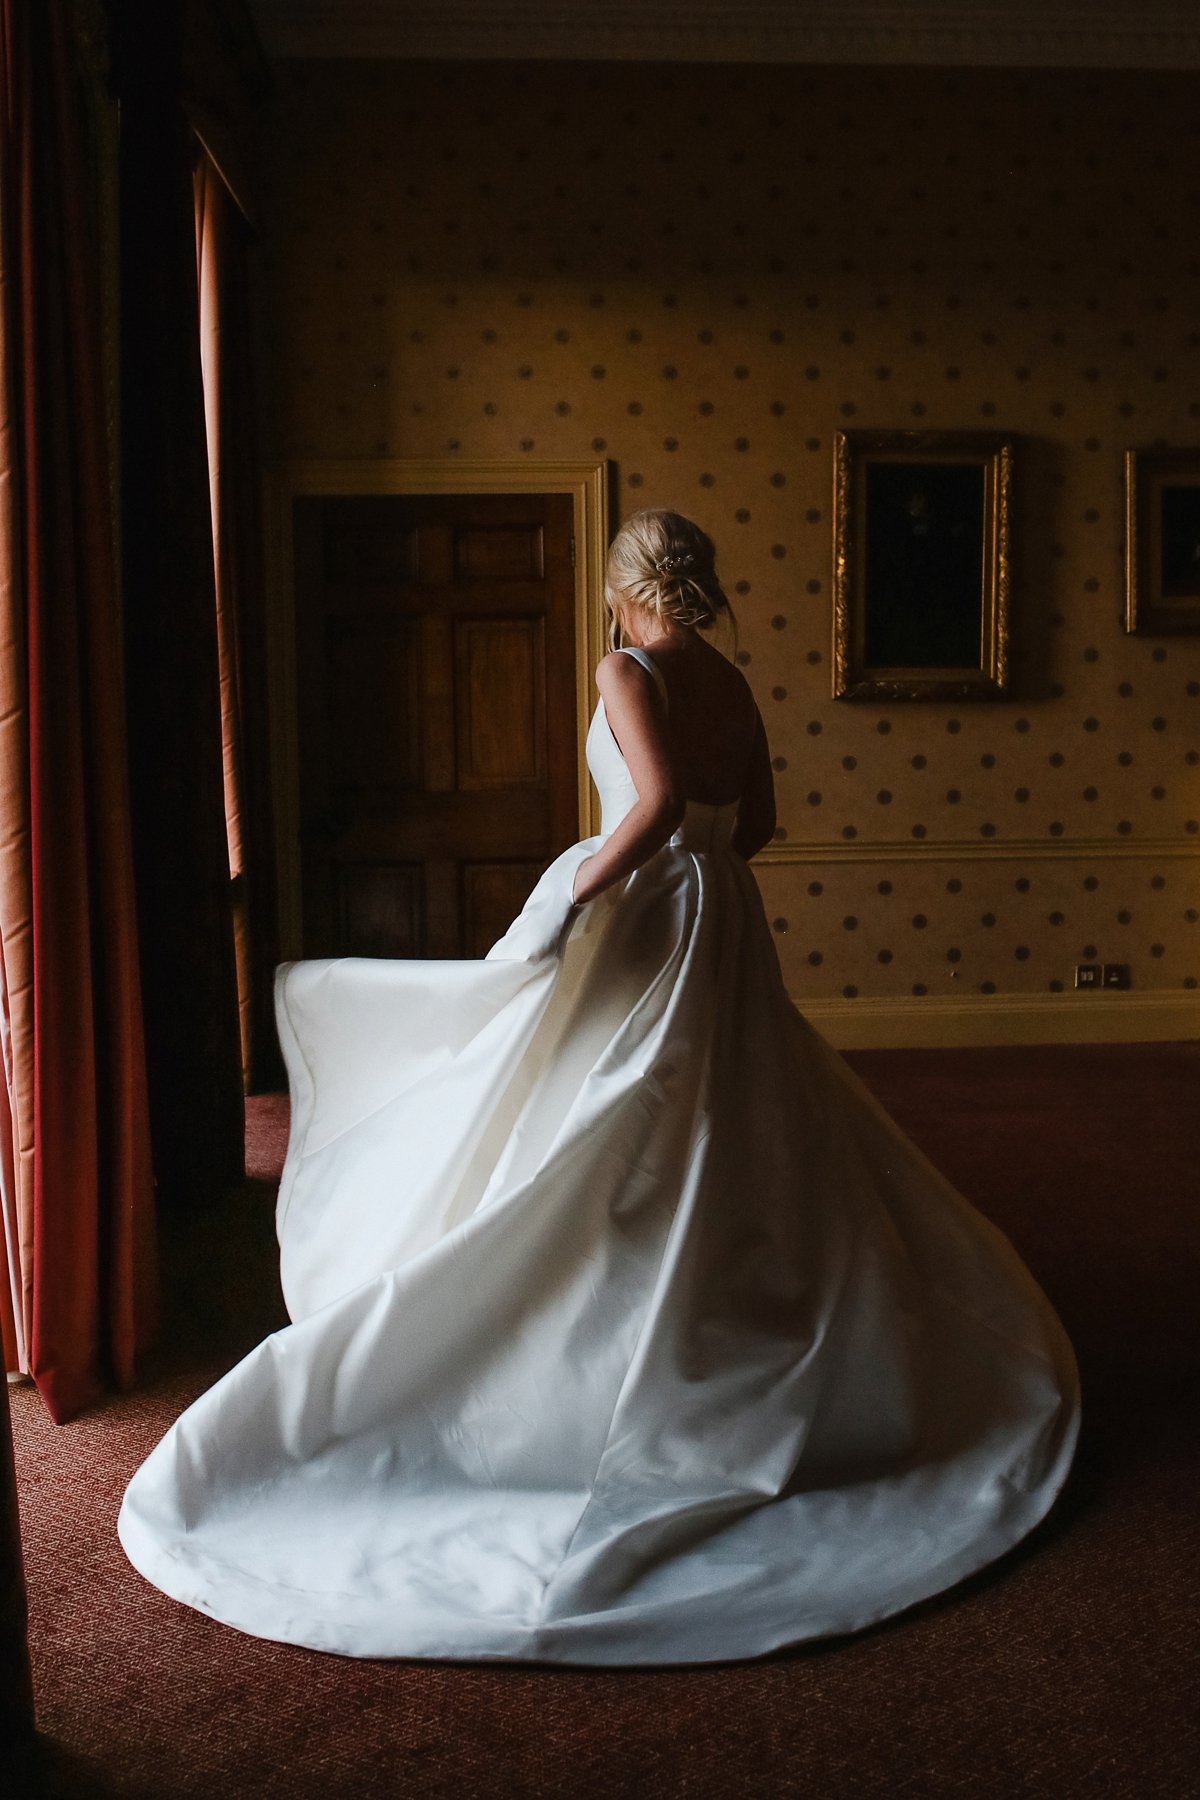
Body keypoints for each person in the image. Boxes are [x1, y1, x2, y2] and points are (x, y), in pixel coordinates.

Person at [119, 509, 1079, 1666]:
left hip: (649, 912)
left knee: (601, 1110)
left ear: (625, 588)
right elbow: (753, 824)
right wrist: (704, 882)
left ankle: (593, 1328)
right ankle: (720, 1310)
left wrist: (583, 889)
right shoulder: (731, 677)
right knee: (719, 1106)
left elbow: (658, 802)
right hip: (723, 916)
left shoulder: (625, 665)